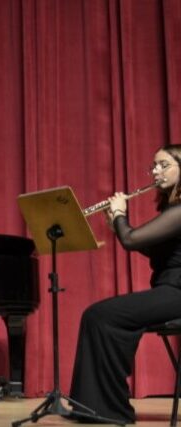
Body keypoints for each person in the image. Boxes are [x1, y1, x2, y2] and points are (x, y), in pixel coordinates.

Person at [67, 144, 181, 424]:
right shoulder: (173, 208)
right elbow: (152, 249)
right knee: (98, 315)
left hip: (178, 291)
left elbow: (130, 240)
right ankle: (96, 407)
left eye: (164, 165)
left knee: (100, 315)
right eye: (154, 165)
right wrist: (116, 225)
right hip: (170, 289)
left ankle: (107, 408)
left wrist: (120, 216)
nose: (156, 171)